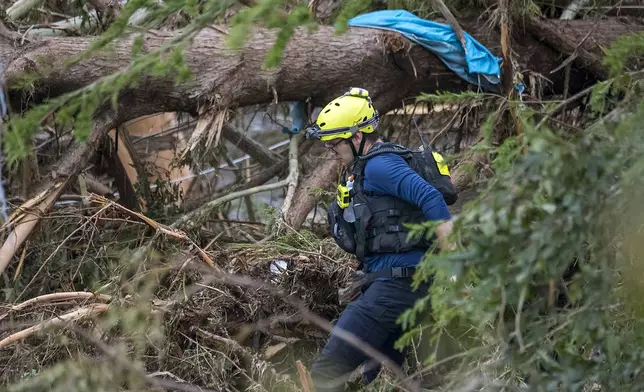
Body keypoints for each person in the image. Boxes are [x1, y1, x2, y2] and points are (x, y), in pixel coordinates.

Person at [304, 87, 456, 391]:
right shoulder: (362, 170)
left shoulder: (379, 165)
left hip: (397, 286)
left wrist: (454, 263)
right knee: (384, 377)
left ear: (357, 137)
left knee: (327, 369)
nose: (331, 149)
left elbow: (431, 197)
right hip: (395, 283)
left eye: (335, 142)